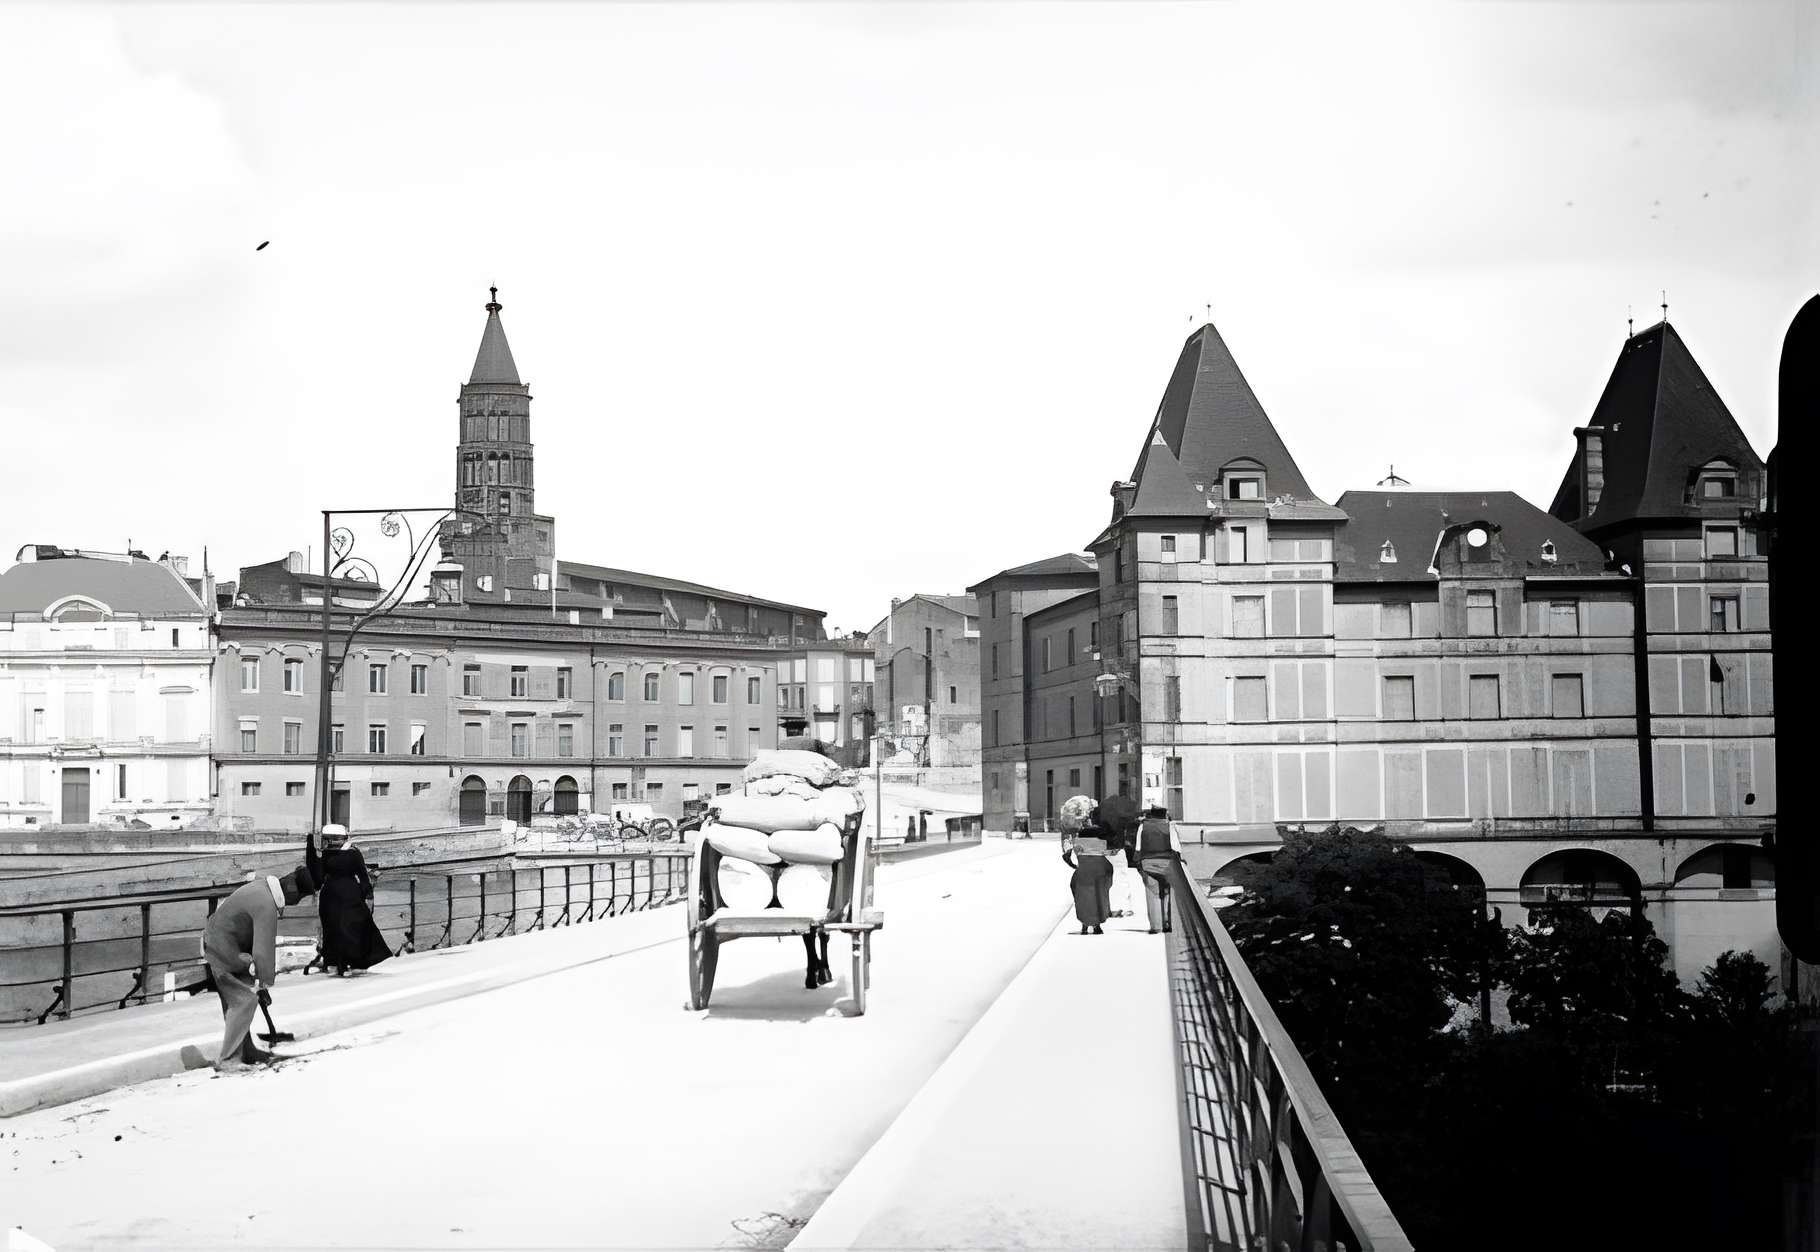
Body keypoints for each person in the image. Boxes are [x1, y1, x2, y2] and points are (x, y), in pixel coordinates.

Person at [201, 863, 316, 1070]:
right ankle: (228, 1060)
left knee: (239, 999)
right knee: (244, 1000)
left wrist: (258, 980)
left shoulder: (261, 888)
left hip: (221, 944)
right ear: (291, 891)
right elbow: (263, 950)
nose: (293, 903)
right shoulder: (266, 904)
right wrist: (264, 984)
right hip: (222, 950)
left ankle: (247, 1049)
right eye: (296, 899)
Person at [307, 824, 393, 976]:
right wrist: (368, 895)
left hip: (338, 896)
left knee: (340, 928)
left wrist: (315, 856)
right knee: (344, 928)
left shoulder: (338, 854)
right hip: (344, 895)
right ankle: (344, 962)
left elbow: (319, 880)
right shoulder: (347, 853)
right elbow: (362, 876)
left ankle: (341, 962)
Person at [1058, 794, 1112, 935]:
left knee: (1081, 893)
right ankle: (1097, 924)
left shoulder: (1071, 827)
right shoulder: (1098, 824)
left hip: (1083, 865)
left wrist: (1069, 859)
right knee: (1100, 892)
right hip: (1098, 862)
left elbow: (1067, 845)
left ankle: (1084, 923)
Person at [1135, 805, 1184, 934]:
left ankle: (1156, 926)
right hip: (1167, 865)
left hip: (1148, 864)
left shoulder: (1142, 826)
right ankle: (1168, 923)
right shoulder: (1170, 827)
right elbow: (1176, 847)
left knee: (1153, 894)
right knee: (1168, 893)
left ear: (1152, 814)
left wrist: (1139, 865)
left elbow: (1138, 849)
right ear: (1164, 814)